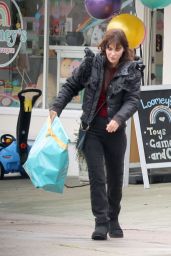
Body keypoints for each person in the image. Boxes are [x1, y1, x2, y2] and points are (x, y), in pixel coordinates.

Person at [49, 29, 142, 240]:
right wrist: (57, 107)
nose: (112, 54)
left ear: (124, 49)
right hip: (92, 129)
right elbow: (72, 85)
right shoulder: (92, 63)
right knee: (97, 177)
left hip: (115, 131)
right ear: (104, 48)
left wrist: (118, 119)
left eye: (117, 50)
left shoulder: (132, 70)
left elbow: (132, 100)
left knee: (116, 179)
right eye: (109, 49)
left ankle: (113, 219)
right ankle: (100, 222)